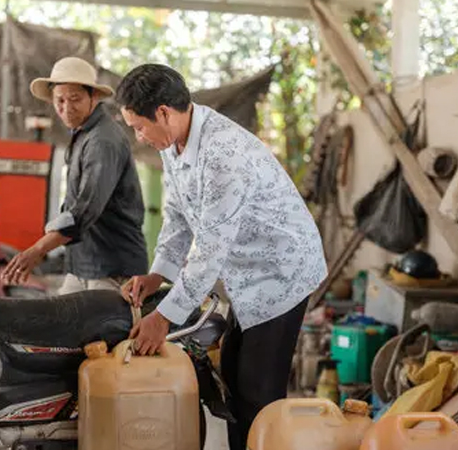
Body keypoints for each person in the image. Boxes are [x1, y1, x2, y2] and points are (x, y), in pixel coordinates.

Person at [116, 63, 328, 449]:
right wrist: (157, 273)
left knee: (258, 391)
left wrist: (163, 318)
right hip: (245, 272)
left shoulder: (224, 154)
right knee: (231, 370)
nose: (138, 136)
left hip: (281, 271)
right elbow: (178, 218)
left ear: (163, 112)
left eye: (138, 126)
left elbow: (209, 250)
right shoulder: (172, 143)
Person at [2, 56, 148, 294]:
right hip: (83, 265)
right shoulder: (83, 133)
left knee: (100, 331)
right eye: (59, 100)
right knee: (63, 328)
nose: (66, 108)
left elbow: (84, 211)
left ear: (94, 97)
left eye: (75, 99)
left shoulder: (102, 140)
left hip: (111, 269)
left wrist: (38, 250)